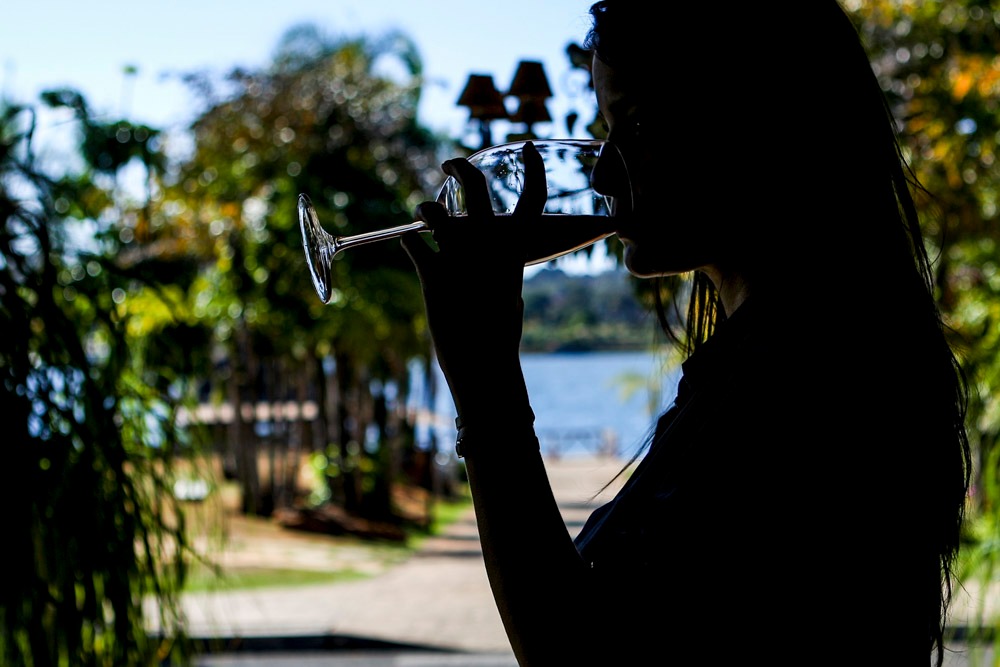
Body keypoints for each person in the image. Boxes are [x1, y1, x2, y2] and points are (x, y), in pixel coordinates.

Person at [402, 2, 971, 665]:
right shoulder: (779, 362)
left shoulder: (806, 390)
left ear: (757, 118)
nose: (602, 176)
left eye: (638, 127)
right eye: (607, 132)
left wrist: (489, 393)